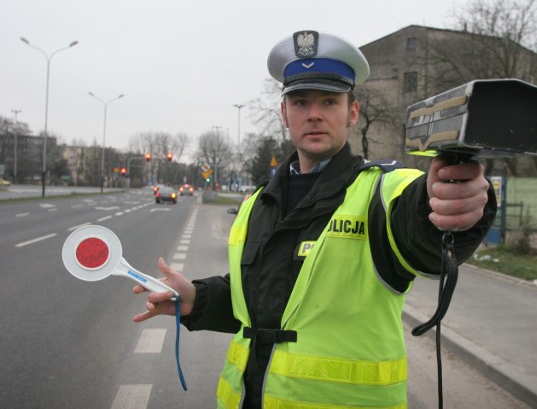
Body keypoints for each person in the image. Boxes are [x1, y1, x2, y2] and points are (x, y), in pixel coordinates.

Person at [133, 30, 497, 408]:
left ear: (352, 112)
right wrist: (197, 299)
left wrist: (452, 200)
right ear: (284, 114)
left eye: (329, 101)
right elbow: (262, 300)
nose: (314, 114)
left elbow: (419, 218)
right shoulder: (258, 201)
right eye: (301, 101)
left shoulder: (383, 192)